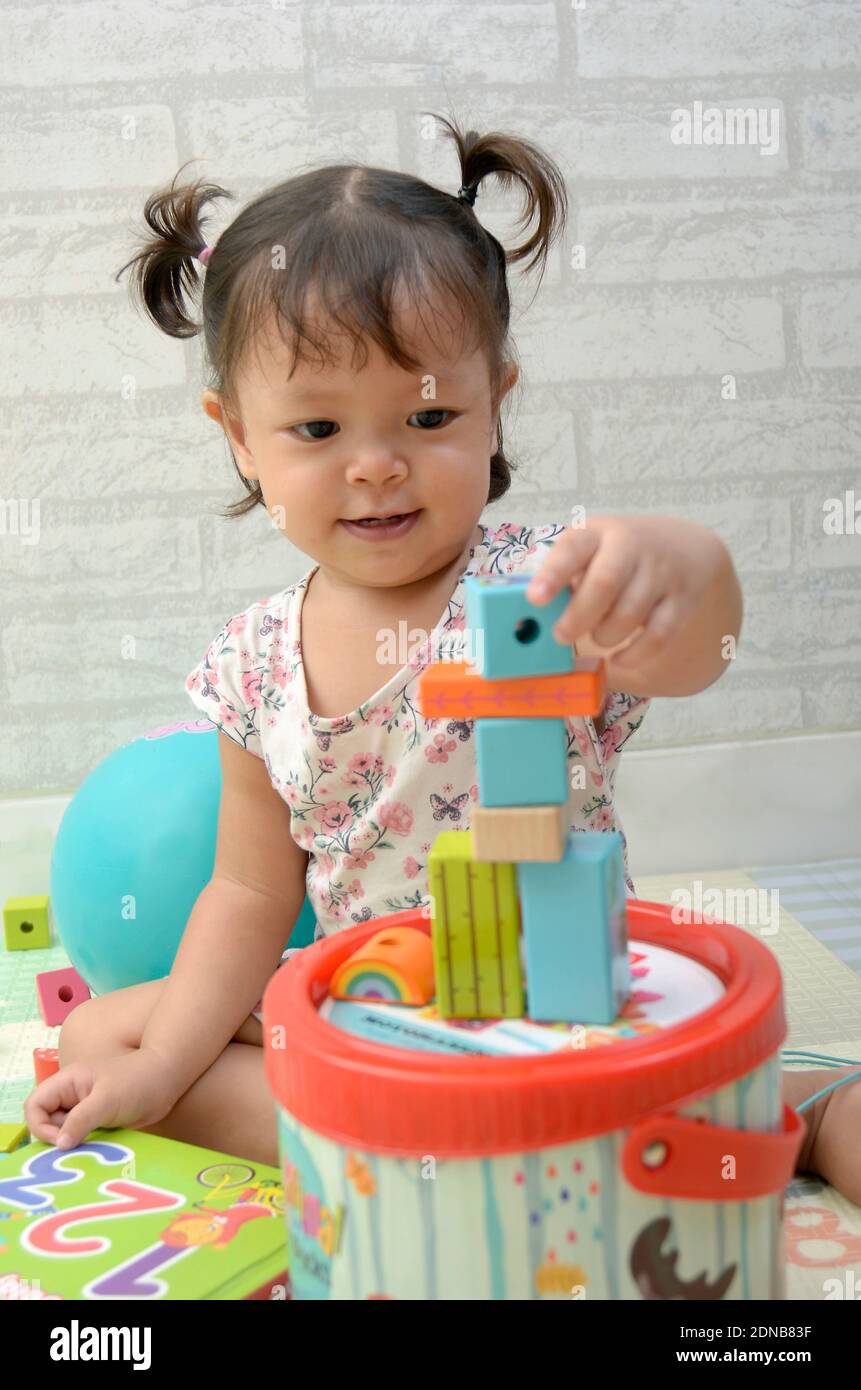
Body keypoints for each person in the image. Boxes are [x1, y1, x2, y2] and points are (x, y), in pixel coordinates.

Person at [25, 114, 860, 1201]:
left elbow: (696, 648)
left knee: (775, 1082)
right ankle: (481, 1142)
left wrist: (683, 566)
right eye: (317, 432)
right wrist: (162, 1069)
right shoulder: (252, 661)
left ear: (494, 404)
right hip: (382, 1004)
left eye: (428, 415)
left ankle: (783, 1114)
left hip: (564, 1001)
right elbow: (243, 893)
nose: (375, 468)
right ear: (237, 433)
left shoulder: (548, 589)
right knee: (105, 1039)